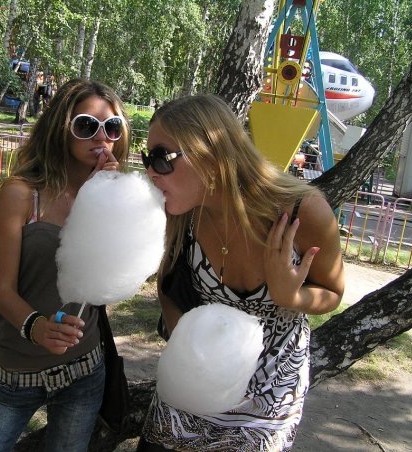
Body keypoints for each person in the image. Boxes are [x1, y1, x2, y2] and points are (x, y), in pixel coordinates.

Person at [136, 94, 344, 452]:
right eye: (146, 158)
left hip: (267, 396)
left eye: (161, 157)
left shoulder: (302, 211)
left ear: (210, 155)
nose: (150, 171)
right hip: (193, 384)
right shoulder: (183, 212)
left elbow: (333, 292)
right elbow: (168, 286)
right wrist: (186, 348)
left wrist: (292, 296)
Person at [0, 78, 130, 452]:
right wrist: (36, 327)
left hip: (84, 369)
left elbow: (110, 281)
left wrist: (107, 203)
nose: (101, 137)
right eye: (86, 125)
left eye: (112, 127)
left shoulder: (113, 197)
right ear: (61, 128)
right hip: (17, 372)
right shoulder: (21, 194)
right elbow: (2, 290)